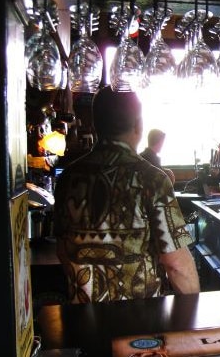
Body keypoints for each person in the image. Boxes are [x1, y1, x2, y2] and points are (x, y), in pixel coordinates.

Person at [53, 86, 200, 303]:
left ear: (95, 125)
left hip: (84, 320)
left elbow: (63, 251)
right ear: (139, 126)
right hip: (142, 322)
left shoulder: (68, 178)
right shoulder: (152, 180)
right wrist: (195, 316)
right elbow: (176, 265)